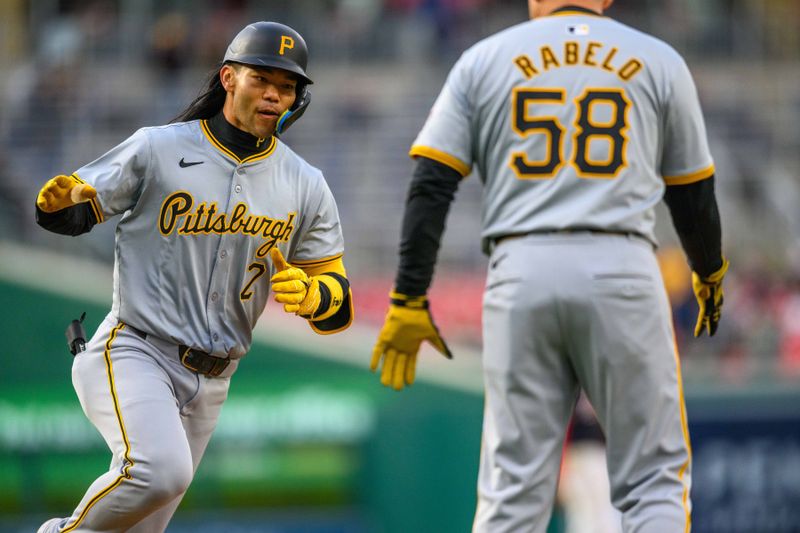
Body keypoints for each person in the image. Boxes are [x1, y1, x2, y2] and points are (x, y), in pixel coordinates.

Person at [370, 1, 728, 531]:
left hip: (521, 266)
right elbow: (693, 192)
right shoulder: (658, 58)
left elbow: (431, 183)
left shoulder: (482, 58)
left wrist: (409, 297)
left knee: (512, 492)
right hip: (622, 262)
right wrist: (709, 269)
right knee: (653, 481)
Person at [35, 21, 353, 533]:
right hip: (137, 349)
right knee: (160, 472)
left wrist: (317, 295)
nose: (275, 94)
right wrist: (59, 203)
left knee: (141, 525)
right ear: (228, 78)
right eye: (262, 79)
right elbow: (74, 212)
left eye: (288, 85)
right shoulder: (158, 148)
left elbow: (339, 304)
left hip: (214, 380)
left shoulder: (306, 184)